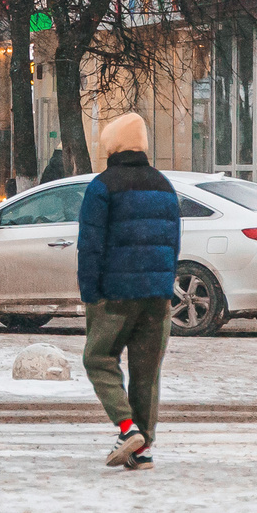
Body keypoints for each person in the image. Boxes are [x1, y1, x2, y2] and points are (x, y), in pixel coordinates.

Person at [76, 111, 180, 470]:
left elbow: (90, 245)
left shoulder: (102, 186)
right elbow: (174, 244)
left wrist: (89, 291)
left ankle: (126, 427)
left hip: (115, 294)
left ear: (112, 145)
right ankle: (142, 449)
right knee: (146, 371)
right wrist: (164, 286)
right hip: (157, 295)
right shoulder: (164, 186)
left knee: (98, 358)